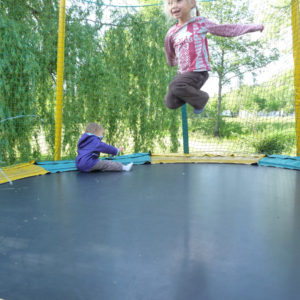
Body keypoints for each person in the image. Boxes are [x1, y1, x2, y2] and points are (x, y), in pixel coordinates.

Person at [164, 0, 264, 114]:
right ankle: (193, 95)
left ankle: (202, 98)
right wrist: (172, 62)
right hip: (183, 75)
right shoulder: (171, 33)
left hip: (198, 72)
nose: (174, 6)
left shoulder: (200, 23)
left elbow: (226, 29)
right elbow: (170, 52)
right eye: (170, 3)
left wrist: (253, 27)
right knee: (170, 103)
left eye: (178, 1)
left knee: (175, 86)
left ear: (192, 3)